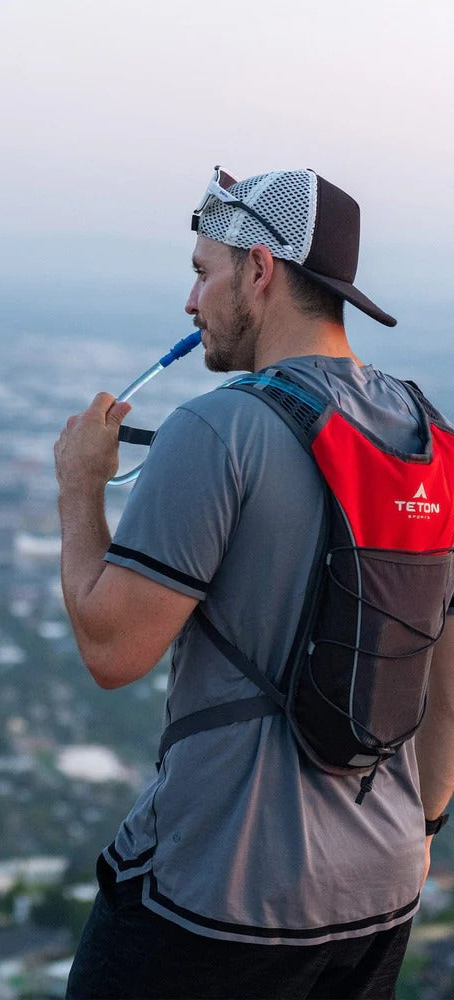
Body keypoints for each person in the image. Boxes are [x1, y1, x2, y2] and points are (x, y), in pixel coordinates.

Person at [55, 167, 453, 999]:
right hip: (380, 894)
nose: (191, 302)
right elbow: (447, 687)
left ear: (260, 269)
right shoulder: (434, 439)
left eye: (204, 272)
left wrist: (80, 488)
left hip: (220, 895)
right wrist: (422, 828)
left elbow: (112, 650)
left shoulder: (218, 428)